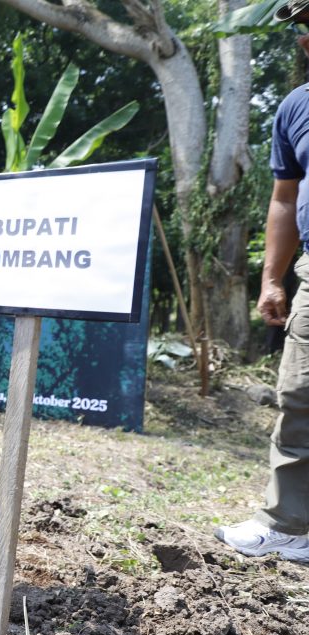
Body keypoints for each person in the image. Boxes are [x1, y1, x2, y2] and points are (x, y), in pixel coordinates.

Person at [215, 0, 309, 563]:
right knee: (301, 396)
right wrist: (272, 278)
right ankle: (291, 524)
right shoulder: (296, 108)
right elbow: (284, 199)